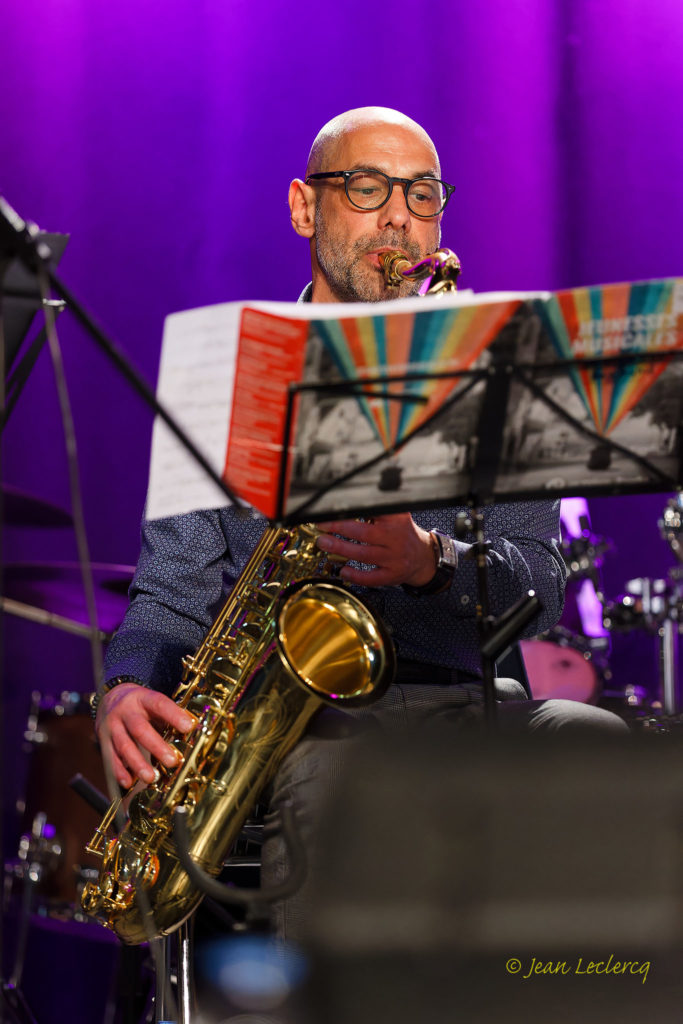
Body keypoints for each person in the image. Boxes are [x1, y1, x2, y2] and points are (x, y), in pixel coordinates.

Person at [95, 107, 626, 944]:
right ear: (304, 207)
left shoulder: (500, 366)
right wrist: (125, 685)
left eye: (422, 194)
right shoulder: (222, 379)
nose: (399, 218)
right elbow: (168, 597)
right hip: (306, 731)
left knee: (601, 748)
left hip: (469, 703)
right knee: (344, 794)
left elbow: (541, 588)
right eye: (369, 188)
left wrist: (430, 560)